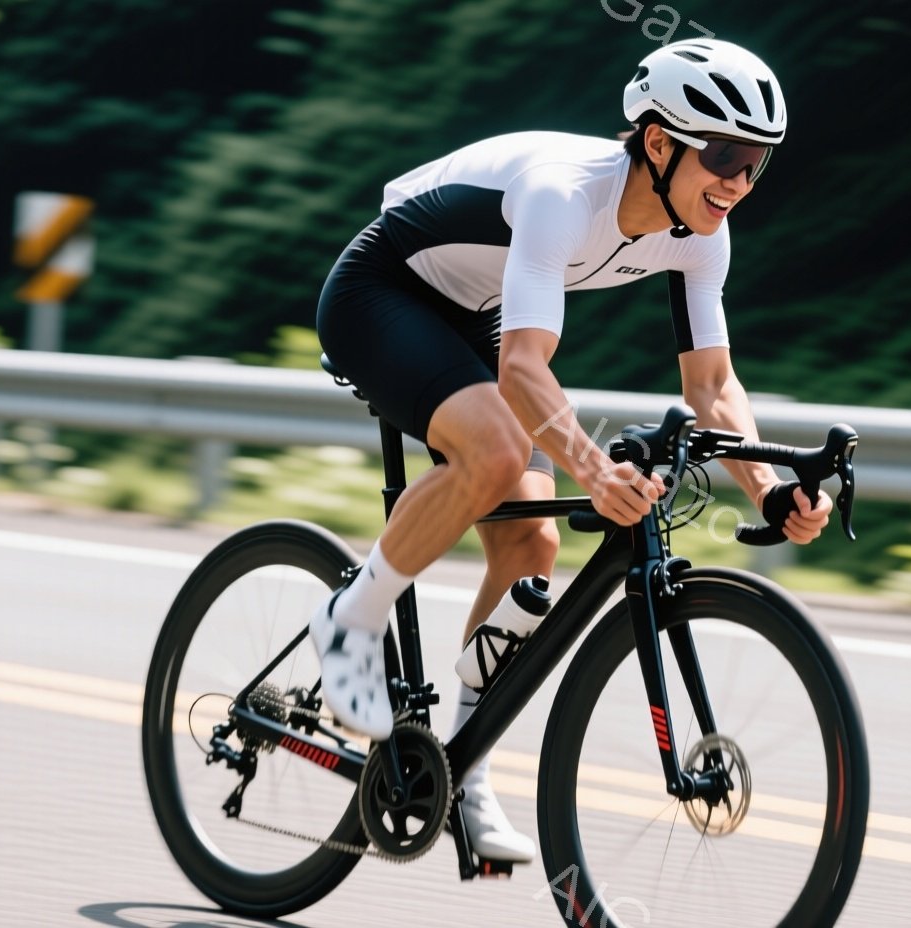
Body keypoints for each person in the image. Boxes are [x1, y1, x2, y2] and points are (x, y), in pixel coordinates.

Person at [309, 38, 832, 865]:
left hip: (470, 306)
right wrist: (592, 468)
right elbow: (523, 366)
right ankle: (352, 618)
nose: (738, 181)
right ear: (658, 144)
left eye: (756, 163)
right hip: (383, 291)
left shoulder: (701, 235)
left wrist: (768, 490)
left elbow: (712, 386)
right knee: (493, 450)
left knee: (531, 544)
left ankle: (462, 764)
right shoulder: (565, 195)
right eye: (723, 154)